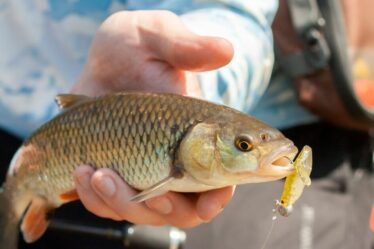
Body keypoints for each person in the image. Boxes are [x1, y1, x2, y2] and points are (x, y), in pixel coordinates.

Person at [0, 1, 277, 248]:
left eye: (243, 145)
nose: (248, 149)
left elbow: (239, 15)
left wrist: (197, 83)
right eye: (244, 145)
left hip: (44, 144)